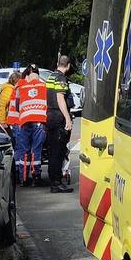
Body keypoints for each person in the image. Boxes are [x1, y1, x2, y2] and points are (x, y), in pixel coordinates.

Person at [13, 65, 47, 186]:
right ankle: (36, 177)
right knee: (36, 151)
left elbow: (17, 106)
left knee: (25, 151)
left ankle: (24, 178)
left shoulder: (20, 86)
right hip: (39, 122)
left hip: (24, 121)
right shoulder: (44, 86)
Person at [46, 55, 75, 193]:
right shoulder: (61, 78)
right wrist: (67, 118)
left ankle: (54, 181)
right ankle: (56, 183)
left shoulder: (51, 76)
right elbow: (60, 98)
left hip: (50, 116)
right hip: (58, 117)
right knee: (58, 151)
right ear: (68, 65)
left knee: (52, 150)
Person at [0, 71, 21, 138]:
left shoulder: (11, 89)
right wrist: (3, 122)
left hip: (7, 120)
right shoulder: (8, 90)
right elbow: (2, 106)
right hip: (4, 121)